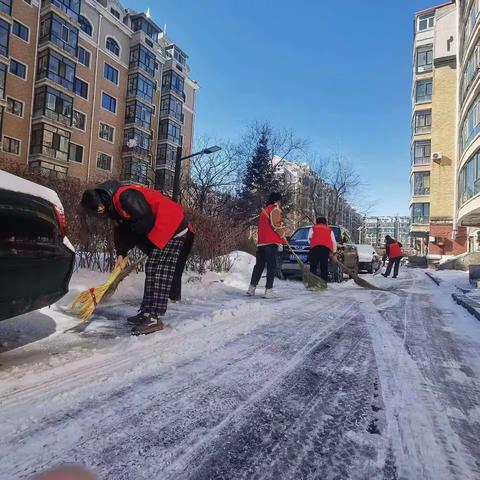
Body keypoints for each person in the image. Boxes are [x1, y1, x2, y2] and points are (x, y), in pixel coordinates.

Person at [81, 181, 192, 335]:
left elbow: (145, 221)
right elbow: (121, 231)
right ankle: (146, 313)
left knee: (158, 269)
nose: (101, 213)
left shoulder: (125, 197)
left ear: (102, 201)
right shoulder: (115, 208)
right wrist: (122, 253)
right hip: (161, 227)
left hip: (172, 225)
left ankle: (154, 317)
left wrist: (131, 240)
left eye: (100, 210)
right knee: (151, 268)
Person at [247, 192, 287, 298]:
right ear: (276, 200)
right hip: (271, 242)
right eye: (280, 201)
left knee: (259, 266)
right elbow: (276, 225)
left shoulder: (265, 211)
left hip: (261, 242)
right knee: (271, 266)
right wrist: (283, 235)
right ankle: (268, 290)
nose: (280, 203)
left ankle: (251, 289)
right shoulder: (275, 209)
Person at [308, 217, 337, 282]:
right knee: (324, 267)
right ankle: (324, 282)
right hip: (325, 250)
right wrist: (334, 253)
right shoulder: (329, 230)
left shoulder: (313, 228)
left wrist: (313, 244)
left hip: (315, 248)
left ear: (317, 222)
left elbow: (309, 238)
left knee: (313, 266)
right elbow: (333, 242)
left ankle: (312, 282)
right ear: (325, 222)